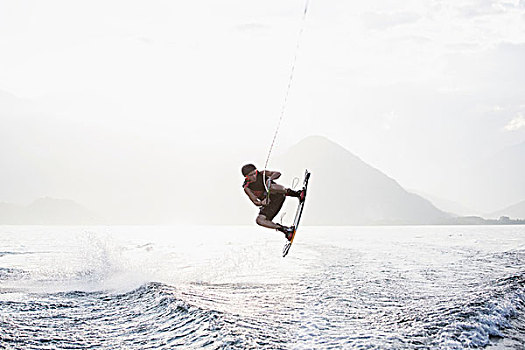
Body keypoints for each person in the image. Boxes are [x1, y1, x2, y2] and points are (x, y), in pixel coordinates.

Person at [241, 164, 305, 241]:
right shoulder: (247, 187)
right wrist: (262, 203)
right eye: (251, 175)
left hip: (279, 195)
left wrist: (270, 179)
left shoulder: (262, 174)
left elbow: (278, 173)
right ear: (246, 177)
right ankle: (285, 230)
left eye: (255, 173)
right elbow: (255, 201)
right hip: (270, 204)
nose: (254, 176)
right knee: (259, 220)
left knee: (271, 187)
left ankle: (297, 194)